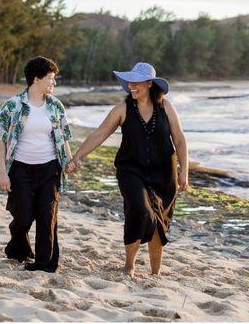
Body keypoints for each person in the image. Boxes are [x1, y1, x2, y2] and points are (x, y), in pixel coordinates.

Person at [66, 62, 189, 276]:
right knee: (140, 211)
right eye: (129, 81)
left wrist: (184, 171)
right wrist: (76, 157)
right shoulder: (123, 109)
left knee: (160, 221)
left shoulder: (166, 107)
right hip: (131, 170)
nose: (131, 86)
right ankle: (129, 265)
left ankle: (155, 273)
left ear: (150, 84)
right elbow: (99, 134)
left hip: (164, 173)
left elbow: (179, 140)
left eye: (136, 82)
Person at [0, 56, 73, 272]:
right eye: (51, 78)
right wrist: (1, 173)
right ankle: (18, 249)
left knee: (47, 218)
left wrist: (69, 162)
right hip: (20, 169)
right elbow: (0, 139)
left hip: (49, 168)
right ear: (36, 79)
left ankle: (45, 264)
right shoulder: (12, 105)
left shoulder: (55, 106)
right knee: (23, 217)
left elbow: (63, 137)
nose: (54, 83)